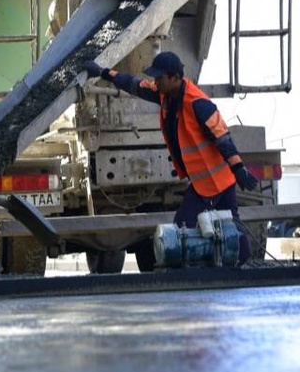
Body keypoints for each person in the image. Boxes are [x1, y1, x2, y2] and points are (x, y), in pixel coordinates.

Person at [84, 51, 260, 264]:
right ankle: (237, 267)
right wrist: (103, 72)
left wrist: (239, 168)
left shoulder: (198, 103)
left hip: (213, 182)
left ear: (175, 77)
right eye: (155, 77)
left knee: (183, 227)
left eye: (160, 78)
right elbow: (133, 85)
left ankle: (197, 270)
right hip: (206, 181)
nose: (155, 81)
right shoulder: (164, 94)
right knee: (229, 224)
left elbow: (222, 138)